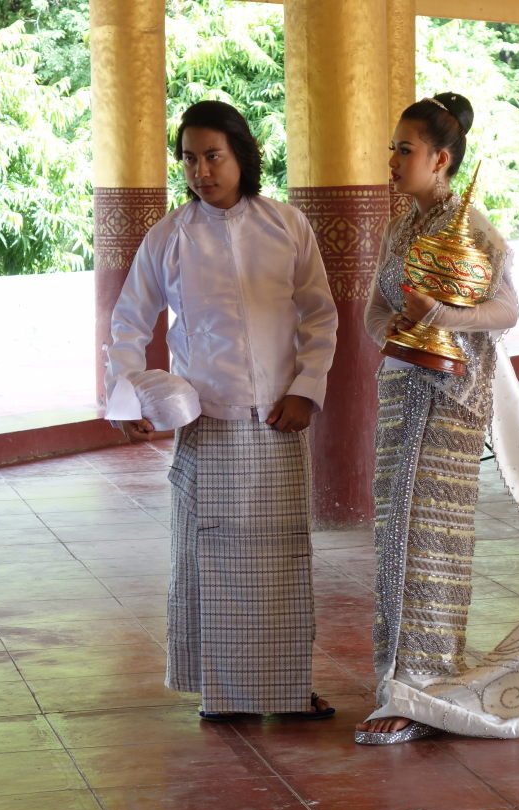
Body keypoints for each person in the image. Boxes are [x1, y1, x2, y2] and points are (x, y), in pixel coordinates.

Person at [104, 100, 339, 721]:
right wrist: (129, 394)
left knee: (281, 559)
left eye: (213, 155)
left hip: (278, 423)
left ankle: (286, 693)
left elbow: (319, 314)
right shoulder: (171, 236)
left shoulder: (286, 225)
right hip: (208, 425)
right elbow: (129, 319)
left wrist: (306, 388)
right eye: (189, 158)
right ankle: (225, 696)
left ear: (241, 156)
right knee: (214, 562)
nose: (201, 170)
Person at [353, 92, 519, 745]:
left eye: (404, 148)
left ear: (441, 159)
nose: (392, 159)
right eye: (393, 147)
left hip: (451, 401)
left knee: (430, 538)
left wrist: (441, 317)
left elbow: (505, 310)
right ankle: (395, 674)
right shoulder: (401, 228)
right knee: (394, 533)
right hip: (400, 393)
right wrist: (394, 325)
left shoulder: (474, 228)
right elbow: (374, 310)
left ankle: (426, 684)